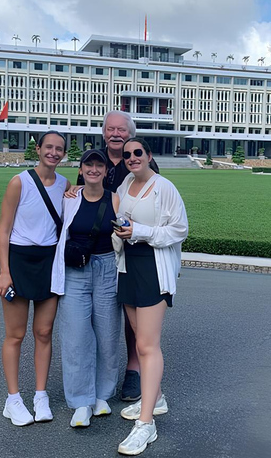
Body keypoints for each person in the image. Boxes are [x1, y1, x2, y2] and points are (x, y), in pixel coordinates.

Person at [69, 110, 159, 403]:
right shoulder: (96, 160)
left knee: (133, 314)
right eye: (111, 129)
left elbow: (156, 201)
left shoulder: (138, 157)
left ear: (130, 133)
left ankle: (134, 368)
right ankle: (93, 379)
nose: (116, 134)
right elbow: (80, 194)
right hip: (99, 250)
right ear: (104, 132)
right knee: (101, 317)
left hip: (134, 247)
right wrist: (73, 191)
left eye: (122, 129)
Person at [113, 137, 188, 456]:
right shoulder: (125, 183)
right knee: (138, 338)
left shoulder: (164, 187)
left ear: (149, 155)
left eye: (137, 153)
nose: (132, 158)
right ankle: (154, 398)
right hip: (127, 267)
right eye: (127, 154)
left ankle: (146, 424)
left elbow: (179, 229)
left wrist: (140, 232)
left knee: (147, 344)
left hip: (153, 268)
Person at [0, 131, 70, 427]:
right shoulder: (19, 182)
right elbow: (4, 229)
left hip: (49, 261)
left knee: (44, 331)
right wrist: (4, 271)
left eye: (59, 149)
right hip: (18, 260)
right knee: (16, 334)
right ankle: (13, 399)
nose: (53, 152)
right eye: (48, 147)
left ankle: (40, 395)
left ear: (63, 154)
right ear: (38, 149)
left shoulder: (65, 185)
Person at [56, 148, 122, 428]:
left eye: (99, 165)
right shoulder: (69, 199)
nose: (94, 169)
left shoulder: (115, 199)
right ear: (81, 169)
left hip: (107, 269)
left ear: (106, 172)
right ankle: (81, 400)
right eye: (88, 165)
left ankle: (103, 394)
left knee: (107, 333)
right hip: (75, 272)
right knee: (76, 336)